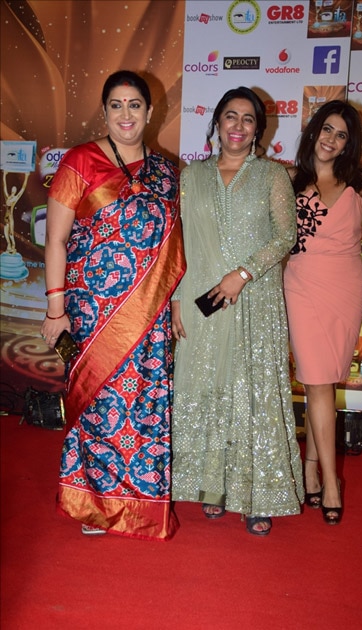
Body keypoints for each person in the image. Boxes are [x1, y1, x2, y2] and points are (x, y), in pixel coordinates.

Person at [40, 70, 186, 540]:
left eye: (135, 105)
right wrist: (55, 308)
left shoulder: (165, 172)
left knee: (144, 402)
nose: (126, 114)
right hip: (93, 310)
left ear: (149, 111)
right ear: (104, 112)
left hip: (150, 312)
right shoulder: (80, 161)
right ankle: (94, 505)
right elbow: (56, 240)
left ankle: (139, 503)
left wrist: (177, 301)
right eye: (117, 105)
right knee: (101, 405)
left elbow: (176, 247)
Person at [171, 86, 304, 536]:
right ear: (217, 123)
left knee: (252, 395)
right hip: (201, 301)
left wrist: (242, 275)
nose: (238, 126)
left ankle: (258, 496)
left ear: (258, 130)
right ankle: (213, 489)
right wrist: (175, 302)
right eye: (231, 116)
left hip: (255, 302)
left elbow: (285, 235)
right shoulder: (191, 177)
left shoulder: (272, 176)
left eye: (248, 120)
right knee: (207, 388)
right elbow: (180, 243)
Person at [283, 100, 362, 525]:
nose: (331, 140)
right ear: (313, 130)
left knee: (326, 380)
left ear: (348, 144)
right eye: (326, 130)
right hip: (300, 285)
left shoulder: (359, 182)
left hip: (345, 289)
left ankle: (311, 472)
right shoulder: (287, 179)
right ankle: (330, 482)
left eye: (341, 135)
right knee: (318, 382)